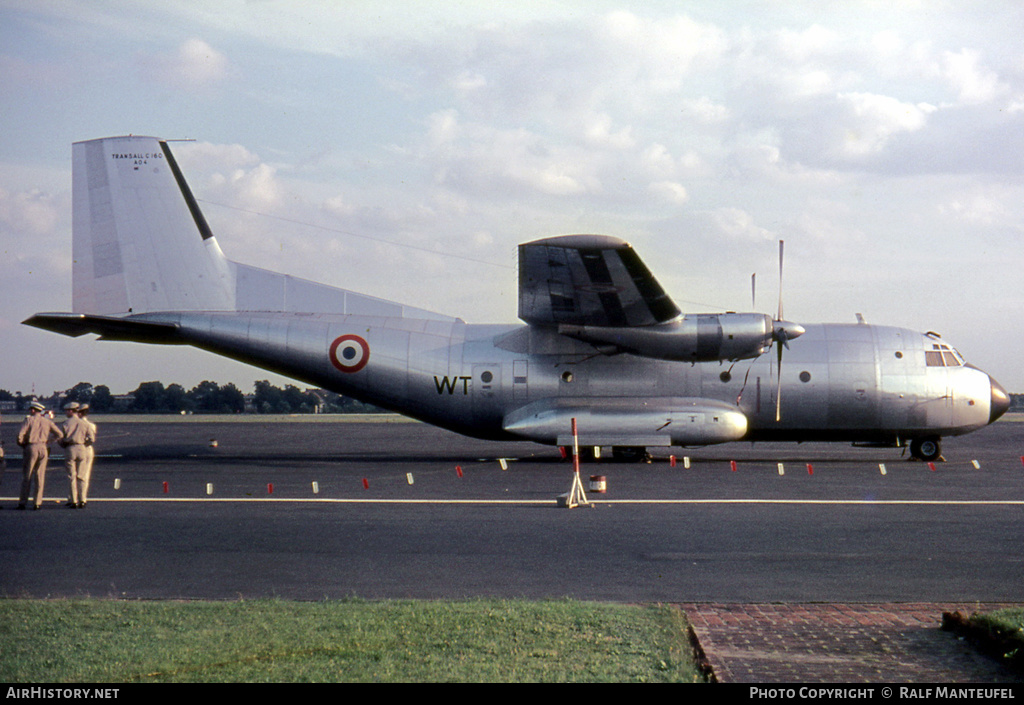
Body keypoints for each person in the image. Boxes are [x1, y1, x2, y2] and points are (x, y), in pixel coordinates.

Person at [17, 401, 64, 510]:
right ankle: (37, 502)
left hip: (31, 447)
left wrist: (23, 444)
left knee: (27, 475)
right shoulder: (47, 422)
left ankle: (23, 502)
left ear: (33, 410)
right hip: (43, 447)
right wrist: (49, 441)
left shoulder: (29, 420)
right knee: (40, 476)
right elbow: (60, 434)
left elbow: (20, 435)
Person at [60, 402, 94, 508]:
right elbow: (91, 438)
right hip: (82, 448)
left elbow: (60, 437)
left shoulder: (66, 423)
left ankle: (73, 500)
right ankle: (82, 499)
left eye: (67, 410)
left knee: (71, 476)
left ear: (71, 411)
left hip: (70, 448)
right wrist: (84, 444)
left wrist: (64, 445)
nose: (66, 412)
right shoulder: (85, 423)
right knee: (82, 476)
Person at [77, 404, 97, 508]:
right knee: (85, 475)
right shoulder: (91, 425)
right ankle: (83, 499)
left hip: (77, 448)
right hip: (87, 449)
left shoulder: (75, 424)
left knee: (74, 474)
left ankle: (72, 498)